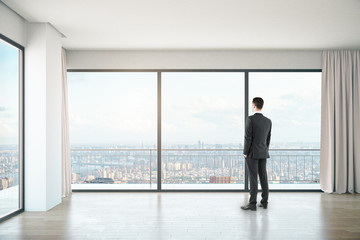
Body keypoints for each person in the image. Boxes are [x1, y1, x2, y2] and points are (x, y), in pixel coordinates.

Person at [241, 97, 272, 211]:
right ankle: (264, 202)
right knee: (263, 177)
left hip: (252, 153)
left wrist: (245, 152)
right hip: (263, 152)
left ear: (254, 105)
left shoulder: (250, 119)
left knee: (253, 178)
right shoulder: (268, 121)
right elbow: (268, 139)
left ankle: (252, 203)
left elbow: (248, 137)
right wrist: (265, 149)